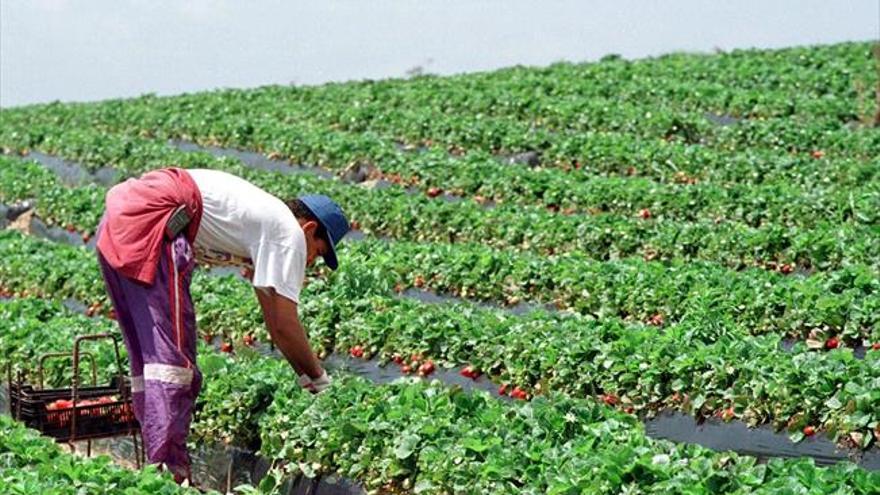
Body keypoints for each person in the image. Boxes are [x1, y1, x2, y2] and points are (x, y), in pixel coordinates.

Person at [95, 167, 349, 483]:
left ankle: (154, 467)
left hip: (121, 220)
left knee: (148, 357)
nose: (310, 262)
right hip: (155, 224)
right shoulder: (289, 234)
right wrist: (319, 379)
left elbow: (274, 321)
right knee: (172, 365)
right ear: (309, 229)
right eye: (318, 252)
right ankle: (166, 474)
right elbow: (284, 325)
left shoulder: (265, 219)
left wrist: (307, 377)